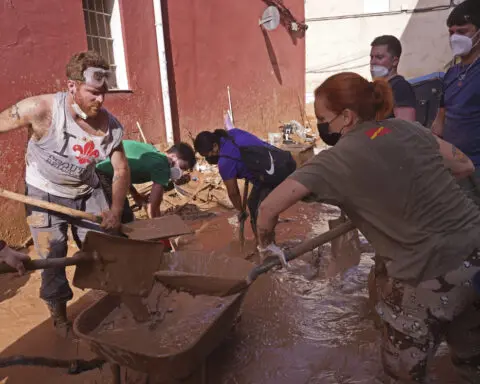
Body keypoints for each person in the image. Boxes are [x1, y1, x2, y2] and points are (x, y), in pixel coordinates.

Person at [256, 72, 480, 383]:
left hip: (426, 273)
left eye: (323, 118)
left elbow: (267, 209)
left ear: (346, 116)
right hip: (475, 254)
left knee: (403, 373)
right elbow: (464, 166)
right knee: (472, 358)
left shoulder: (334, 161)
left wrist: (267, 245)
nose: (322, 126)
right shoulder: (407, 128)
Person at [0, 51, 130, 336]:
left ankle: (120, 305)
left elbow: (120, 171)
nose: (101, 100)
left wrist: (116, 211)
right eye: (94, 93)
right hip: (42, 194)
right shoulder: (39, 109)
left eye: (104, 93)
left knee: (105, 249)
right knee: (51, 256)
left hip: (87, 191)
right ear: (72, 86)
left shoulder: (110, 127)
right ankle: (60, 318)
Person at [194, 128, 296, 241]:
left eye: (207, 155)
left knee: (260, 214)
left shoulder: (225, 161)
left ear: (215, 146)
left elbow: (233, 193)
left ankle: (266, 247)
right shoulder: (233, 133)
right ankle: (263, 242)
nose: (207, 159)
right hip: (282, 160)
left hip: (272, 176)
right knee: (252, 203)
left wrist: (240, 210)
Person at [431, 0, 480, 206]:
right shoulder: (451, 74)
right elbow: (439, 122)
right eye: (451, 32)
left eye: (462, 31)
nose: (455, 38)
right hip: (457, 169)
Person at [96, 140, 196, 220]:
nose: (181, 172)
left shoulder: (152, 152)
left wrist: (135, 195)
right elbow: (152, 207)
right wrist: (158, 229)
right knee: (124, 217)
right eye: (182, 167)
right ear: (173, 156)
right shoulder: (164, 165)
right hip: (102, 174)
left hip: (100, 169)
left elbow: (126, 172)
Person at [370, 35, 417, 121]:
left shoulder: (400, 87)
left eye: (379, 57)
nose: (373, 62)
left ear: (394, 61)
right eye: (371, 57)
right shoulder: (375, 88)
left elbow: (406, 126)